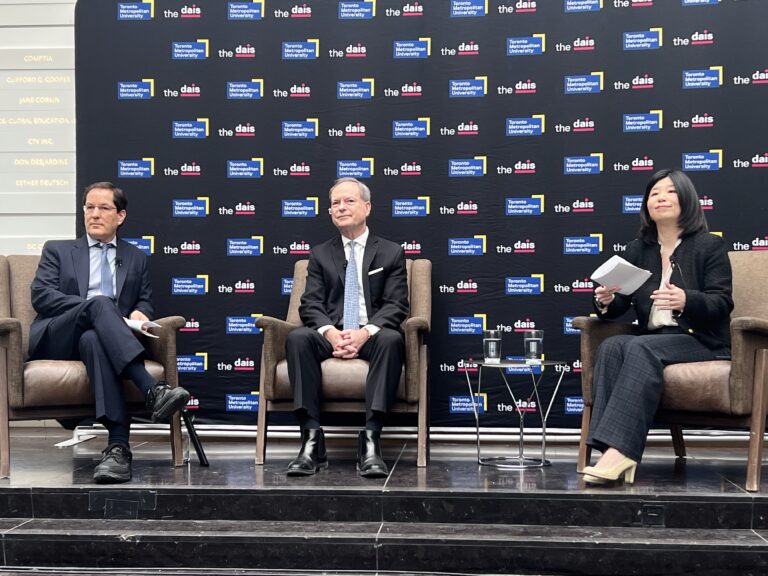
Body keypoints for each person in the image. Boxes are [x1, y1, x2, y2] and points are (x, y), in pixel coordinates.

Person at [29, 182, 190, 484]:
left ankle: (118, 449)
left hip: (103, 341)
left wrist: (141, 312)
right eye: (89, 207)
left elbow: (144, 299)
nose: (94, 214)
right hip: (59, 336)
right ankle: (151, 389)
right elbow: (42, 296)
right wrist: (95, 307)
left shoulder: (135, 257)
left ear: (120, 216)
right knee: (101, 303)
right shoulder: (58, 250)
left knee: (94, 339)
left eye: (103, 208)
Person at [582, 169, 733, 485]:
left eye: (670, 191)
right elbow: (621, 305)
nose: (661, 198)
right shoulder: (638, 250)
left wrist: (687, 300)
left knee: (639, 347)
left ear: (687, 200)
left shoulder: (709, 246)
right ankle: (608, 450)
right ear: (646, 205)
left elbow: (722, 303)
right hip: (654, 339)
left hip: (698, 340)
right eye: (654, 193)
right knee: (611, 347)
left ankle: (621, 452)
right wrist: (606, 300)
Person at [285, 177, 409, 478]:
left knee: (391, 339)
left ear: (367, 207)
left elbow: (396, 305)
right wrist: (331, 333)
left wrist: (364, 333)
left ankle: (371, 440)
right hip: (332, 332)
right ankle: (311, 441)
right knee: (298, 338)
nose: (341, 207)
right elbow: (310, 304)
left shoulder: (391, 252)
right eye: (335, 203)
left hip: (371, 334)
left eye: (349, 201)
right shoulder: (320, 254)